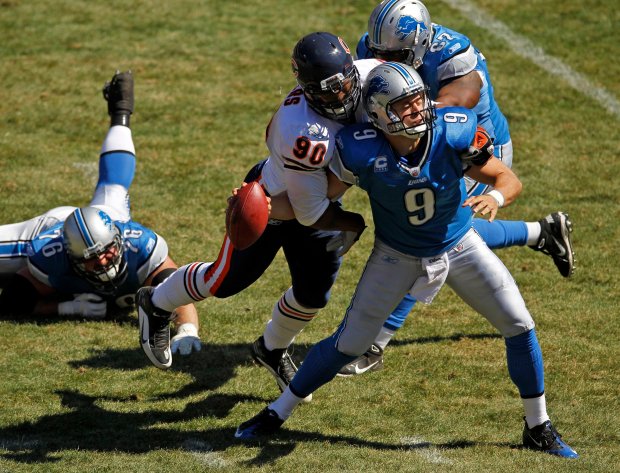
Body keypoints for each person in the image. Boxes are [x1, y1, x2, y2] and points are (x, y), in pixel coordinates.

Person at [234, 62, 579, 459]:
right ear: (379, 115)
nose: (417, 111)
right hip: (396, 256)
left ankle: (538, 426)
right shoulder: (360, 148)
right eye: (405, 105)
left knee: (519, 324)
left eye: (418, 100)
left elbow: (507, 177)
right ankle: (277, 413)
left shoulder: (453, 130)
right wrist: (260, 205)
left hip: (459, 244)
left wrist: (495, 197)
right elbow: (314, 199)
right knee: (349, 344)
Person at [338, 0, 575, 376]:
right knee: (453, 230)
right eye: (379, 54)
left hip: (472, 146)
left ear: (418, 44)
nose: (384, 61)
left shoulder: (454, 55)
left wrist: (394, 118)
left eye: (394, 56)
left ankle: (374, 342)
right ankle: (542, 233)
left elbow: (454, 106)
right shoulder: (375, 46)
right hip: (420, 140)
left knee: (427, 239)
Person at [136, 33, 374, 391]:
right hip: (274, 202)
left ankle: (271, 349)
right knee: (225, 281)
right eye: (327, 91)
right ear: (308, 90)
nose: (340, 97)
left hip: (316, 198)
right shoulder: (305, 131)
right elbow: (309, 212)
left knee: (314, 293)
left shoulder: (376, 76)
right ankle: (155, 302)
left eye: (343, 84)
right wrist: (354, 222)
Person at [0, 71, 201, 359]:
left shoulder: (141, 247)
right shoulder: (50, 253)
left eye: (106, 252)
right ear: (72, 257)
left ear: (119, 241)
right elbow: (13, 301)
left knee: (113, 189)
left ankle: (121, 112)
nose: (103, 261)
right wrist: (68, 307)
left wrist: (187, 330)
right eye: (91, 259)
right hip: (51, 228)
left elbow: (178, 290)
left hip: (106, 217)